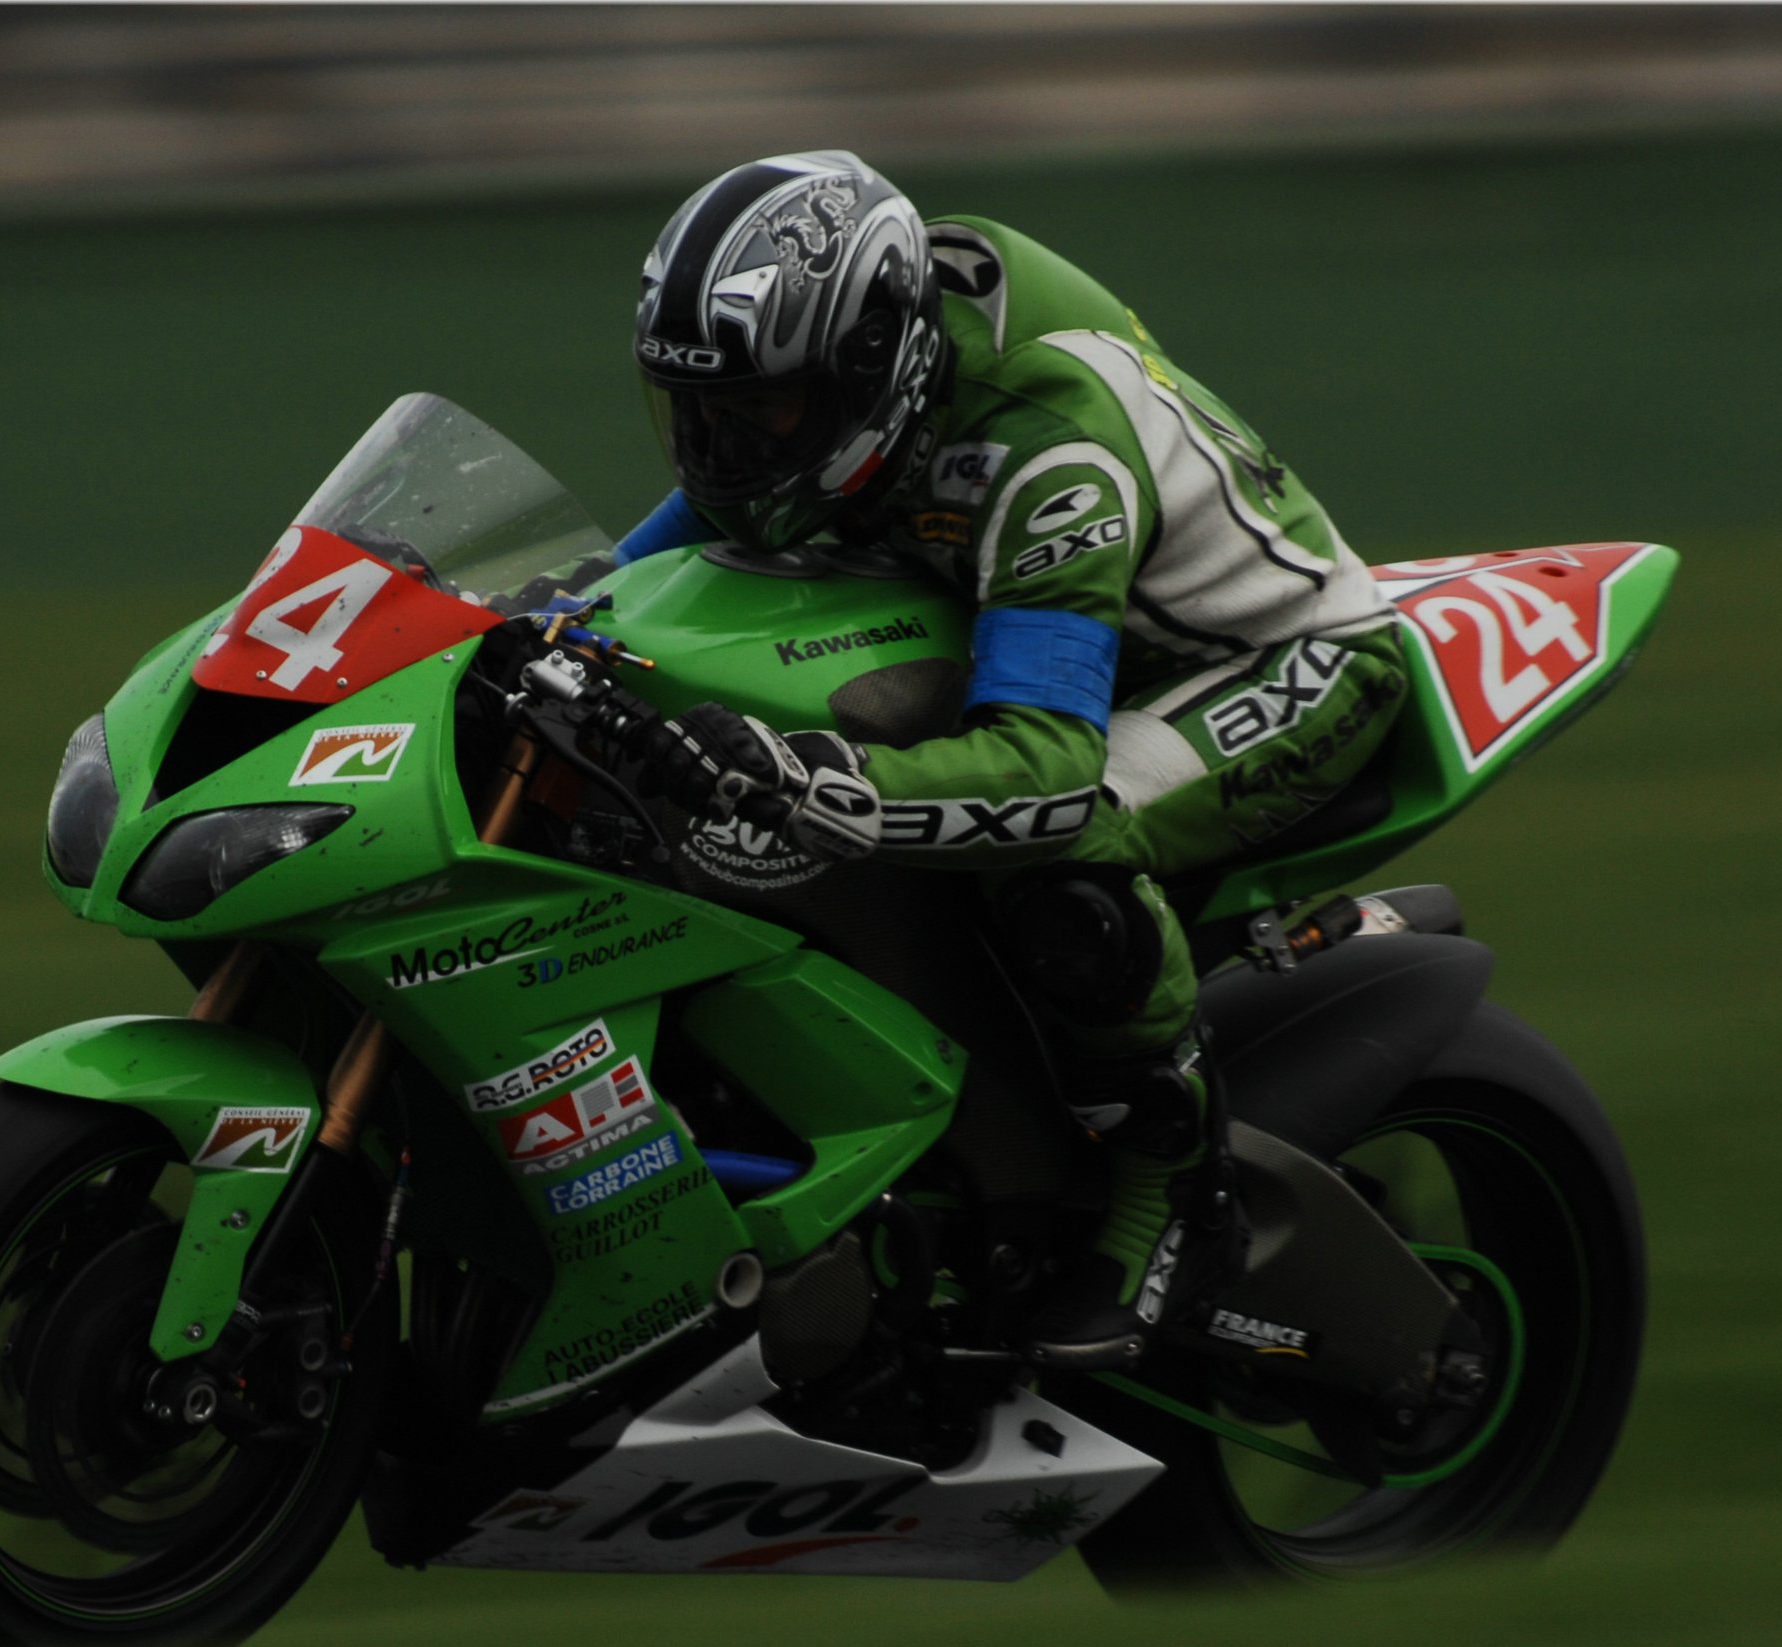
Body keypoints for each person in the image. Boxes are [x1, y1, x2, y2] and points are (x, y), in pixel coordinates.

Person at [597, 150, 1412, 1367]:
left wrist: (818, 785)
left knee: (1059, 852)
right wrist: (512, 624)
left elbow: (1044, 773)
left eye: (758, 412)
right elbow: (639, 578)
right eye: (693, 411)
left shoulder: (1041, 442)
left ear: (869, 371)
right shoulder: (840, 391)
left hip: (1274, 660)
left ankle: (1175, 1190)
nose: (718, 447)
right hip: (1057, 631)